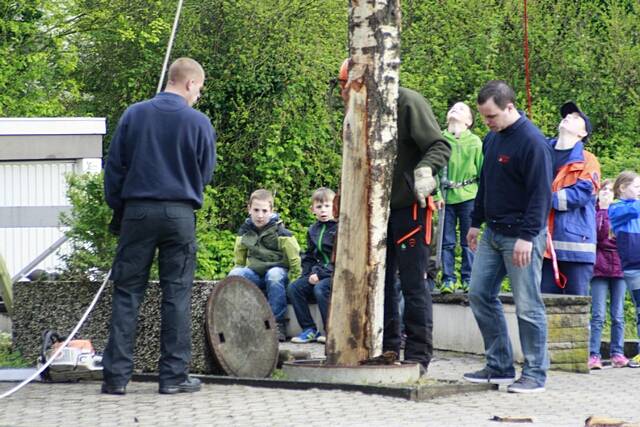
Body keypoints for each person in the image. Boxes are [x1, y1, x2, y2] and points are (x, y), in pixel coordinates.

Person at [102, 57, 217, 395]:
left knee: (126, 293)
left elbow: (114, 168)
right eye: (199, 89)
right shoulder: (199, 123)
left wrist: (120, 210)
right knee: (176, 294)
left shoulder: (134, 114)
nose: (198, 95)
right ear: (190, 84)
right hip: (179, 215)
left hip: (137, 212)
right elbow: (205, 174)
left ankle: (116, 379)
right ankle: (173, 377)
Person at [338, 59, 451, 372]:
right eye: (343, 86)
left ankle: (418, 356)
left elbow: (439, 146)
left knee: (415, 284)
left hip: (409, 208)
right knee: (380, 283)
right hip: (373, 212)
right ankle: (387, 347)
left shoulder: (408, 103)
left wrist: (425, 170)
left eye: (348, 85)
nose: (345, 93)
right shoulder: (356, 115)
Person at [463, 80, 553, 393]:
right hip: (493, 232)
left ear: (510, 107)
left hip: (522, 237)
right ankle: (498, 365)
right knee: (478, 293)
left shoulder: (533, 143)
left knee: (528, 305)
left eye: (492, 116)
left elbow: (541, 196)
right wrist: (475, 222)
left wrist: (528, 237)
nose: (488, 123)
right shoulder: (492, 139)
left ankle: (535, 374)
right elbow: (485, 183)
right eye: (485, 117)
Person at [540, 102, 600, 296]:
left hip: (576, 249)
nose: (568, 117)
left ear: (582, 133)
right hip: (542, 248)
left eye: (576, 117)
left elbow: (582, 193)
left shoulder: (588, 159)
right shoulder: (540, 152)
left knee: (576, 311)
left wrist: (543, 199)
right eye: (567, 115)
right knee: (543, 308)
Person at [228, 189, 301, 342]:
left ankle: (277, 323)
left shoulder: (281, 232)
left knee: (274, 275)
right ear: (249, 209)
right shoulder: (245, 230)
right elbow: (239, 256)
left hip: (277, 272)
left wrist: (295, 279)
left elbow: (295, 258)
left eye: (264, 211)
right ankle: (239, 322)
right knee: (235, 275)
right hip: (255, 273)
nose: (260, 215)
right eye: (256, 210)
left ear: (271, 211)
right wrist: (238, 268)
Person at [436, 102, 483, 294]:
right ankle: (448, 278)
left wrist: (481, 200)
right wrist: (437, 194)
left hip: (469, 196)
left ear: (469, 121)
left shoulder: (475, 143)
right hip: (446, 197)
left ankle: (468, 278)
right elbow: (433, 171)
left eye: (462, 109)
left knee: (468, 239)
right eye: (453, 108)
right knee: (446, 240)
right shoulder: (439, 139)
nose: (456, 109)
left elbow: (482, 172)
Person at [589, 179, 632, 369]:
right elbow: (599, 235)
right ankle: (593, 354)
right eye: (603, 189)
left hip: (620, 267)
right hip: (599, 267)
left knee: (618, 314)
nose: (606, 192)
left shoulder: (620, 211)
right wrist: (604, 210)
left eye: (609, 190)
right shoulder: (595, 211)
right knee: (597, 314)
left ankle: (617, 353)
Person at [287, 187, 337, 344]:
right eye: (319, 207)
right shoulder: (312, 230)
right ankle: (309, 329)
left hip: (336, 273)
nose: (323, 210)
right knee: (295, 288)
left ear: (335, 207)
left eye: (327, 206)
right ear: (313, 210)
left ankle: (331, 331)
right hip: (319, 272)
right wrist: (306, 275)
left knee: (321, 288)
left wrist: (321, 274)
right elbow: (309, 256)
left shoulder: (340, 228)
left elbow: (340, 258)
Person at [609, 170, 640, 367]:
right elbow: (634, 210)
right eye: (637, 187)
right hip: (634, 267)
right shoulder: (616, 207)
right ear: (622, 188)